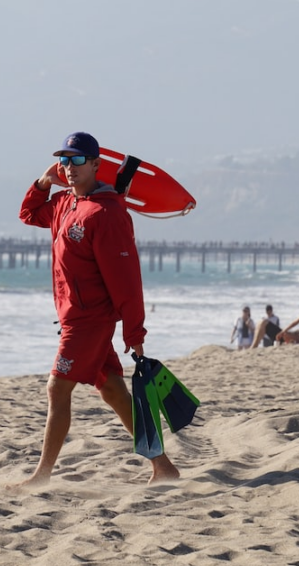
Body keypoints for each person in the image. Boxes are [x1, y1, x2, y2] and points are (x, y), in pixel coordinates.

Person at [12, 131, 180, 488]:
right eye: (63, 160)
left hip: (90, 320)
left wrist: (134, 332)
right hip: (74, 316)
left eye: (77, 160)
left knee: (57, 389)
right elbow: (28, 214)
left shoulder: (108, 213)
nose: (68, 168)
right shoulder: (63, 204)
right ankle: (163, 466)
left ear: (95, 165)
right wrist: (43, 182)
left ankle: (41, 476)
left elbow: (127, 280)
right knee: (113, 390)